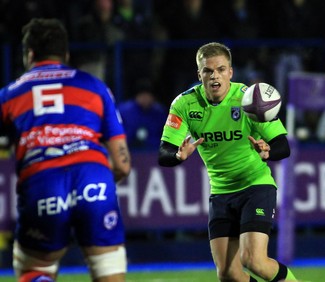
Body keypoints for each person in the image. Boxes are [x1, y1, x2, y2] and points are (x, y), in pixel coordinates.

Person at [0, 18, 131, 282]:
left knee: (35, 269)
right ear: (66, 54)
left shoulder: (9, 95)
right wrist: (98, 188)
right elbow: (122, 163)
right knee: (107, 271)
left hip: (42, 181)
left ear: (30, 54)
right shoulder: (94, 86)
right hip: (93, 178)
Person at [158, 42, 297, 282]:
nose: (215, 76)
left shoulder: (248, 99)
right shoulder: (184, 104)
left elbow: (282, 146)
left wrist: (267, 152)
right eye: (208, 71)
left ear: (230, 72)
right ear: (199, 74)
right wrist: (178, 156)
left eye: (221, 69)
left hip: (255, 185)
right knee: (228, 274)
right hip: (221, 193)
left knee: (253, 260)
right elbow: (164, 153)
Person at [118, 80, 168, 151]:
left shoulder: (160, 112)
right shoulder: (124, 111)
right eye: (142, 95)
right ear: (136, 96)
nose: (145, 99)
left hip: (153, 154)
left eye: (148, 96)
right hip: (130, 153)